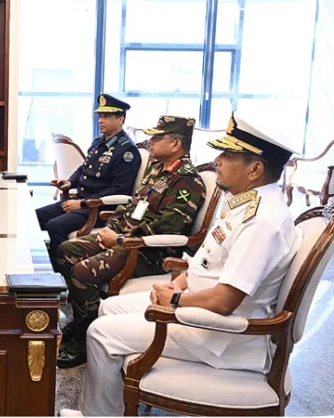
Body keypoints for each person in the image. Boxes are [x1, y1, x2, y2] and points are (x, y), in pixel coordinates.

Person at [60, 112, 301, 416]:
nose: (217, 161)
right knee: (108, 308)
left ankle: (97, 414)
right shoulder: (247, 202)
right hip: (195, 304)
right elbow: (207, 261)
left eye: (228, 155)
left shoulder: (263, 222)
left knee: (100, 333)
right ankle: (116, 406)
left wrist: (175, 300)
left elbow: (225, 301)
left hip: (217, 333)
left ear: (255, 169)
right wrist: (176, 284)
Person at [56, 115, 206, 369]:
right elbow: (132, 206)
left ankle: (84, 338)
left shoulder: (187, 181)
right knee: (65, 250)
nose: (151, 141)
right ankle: (82, 320)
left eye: (158, 137)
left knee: (82, 272)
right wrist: (111, 230)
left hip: (149, 253)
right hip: (124, 239)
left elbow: (166, 227)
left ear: (176, 144)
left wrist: (120, 239)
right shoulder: (158, 169)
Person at [37, 94, 141, 270]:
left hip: (99, 208)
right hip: (81, 201)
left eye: (107, 116)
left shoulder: (126, 151)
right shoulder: (99, 142)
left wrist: (82, 203)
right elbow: (83, 168)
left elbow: (119, 190)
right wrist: (69, 183)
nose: (101, 120)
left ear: (121, 119)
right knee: (36, 217)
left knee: (55, 226)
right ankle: (44, 265)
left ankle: (62, 274)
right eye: (100, 116)